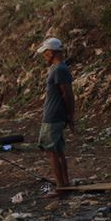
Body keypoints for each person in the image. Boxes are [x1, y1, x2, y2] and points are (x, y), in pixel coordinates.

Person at [36, 37, 74, 195]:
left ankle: (60, 186)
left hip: (53, 116)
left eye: (45, 52)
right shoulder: (58, 68)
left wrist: (71, 115)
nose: (44, 55)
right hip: (56, 114)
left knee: (51, 151)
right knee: (58, 150)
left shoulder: (59, 69)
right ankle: (65, 183)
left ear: (51, 52)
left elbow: (68, 94)